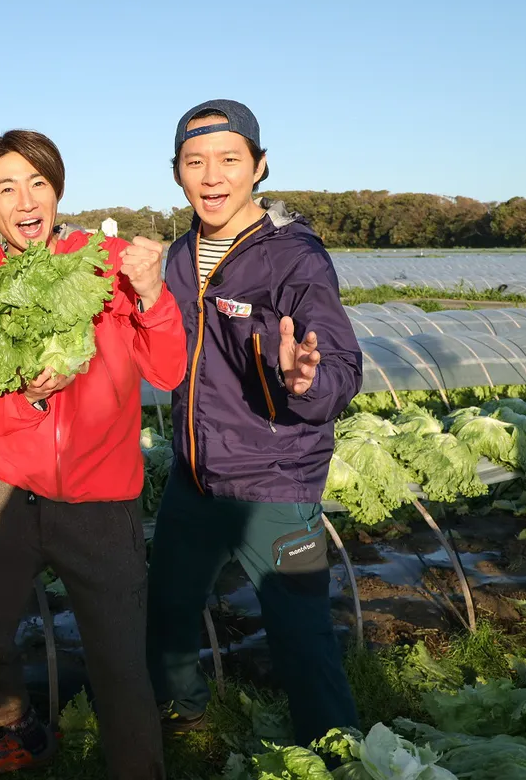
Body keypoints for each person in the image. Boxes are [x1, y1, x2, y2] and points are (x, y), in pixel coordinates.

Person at [0, 130, 186, 780]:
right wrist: (25, 399)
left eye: (38, 183)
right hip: (11, 492)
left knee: (118, 662)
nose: (25, 199)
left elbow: (167, 371)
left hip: (101, 504)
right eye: (6, 187)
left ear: (56, 192)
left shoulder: (107, 263)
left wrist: (153, 296)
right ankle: (16, 731)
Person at [147, 99, 362, 746]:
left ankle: (334, 748)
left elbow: (344, 367)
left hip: (275, 482)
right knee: (169, 612)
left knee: (300, 633)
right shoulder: (181, 257)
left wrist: (307, 379)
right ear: (177, 172)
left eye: (229, 161)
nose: (212, 176)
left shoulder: (293, 258)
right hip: (196, 476)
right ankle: (183, 713)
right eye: (195, 162)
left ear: (259, 167)